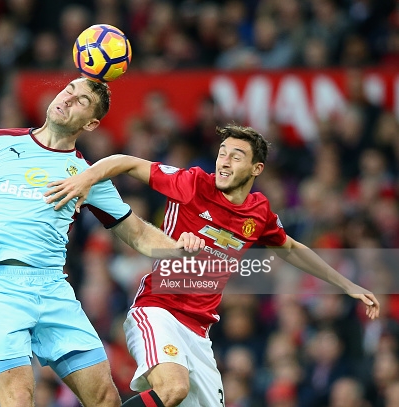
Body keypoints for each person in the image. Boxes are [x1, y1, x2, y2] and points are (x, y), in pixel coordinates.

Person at [44, 124, 381, 407]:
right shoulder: (193, 183)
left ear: (256, 169)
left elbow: (291, 248)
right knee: (172, 388)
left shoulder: (258, 212)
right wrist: (85, 179)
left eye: (236, 156)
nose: (224, 161)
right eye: (222, 153)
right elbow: (126, 162)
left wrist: (347, 285)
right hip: (158, 310)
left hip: (200, 332)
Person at [0, 76, 202, 407]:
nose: (69, 99)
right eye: (69, 90)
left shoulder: (87, 174)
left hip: (53, 287)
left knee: (104, 399)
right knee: (17, 397)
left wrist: (179, 251)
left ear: (92, 123)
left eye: (82, 101)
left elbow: (137, 233)